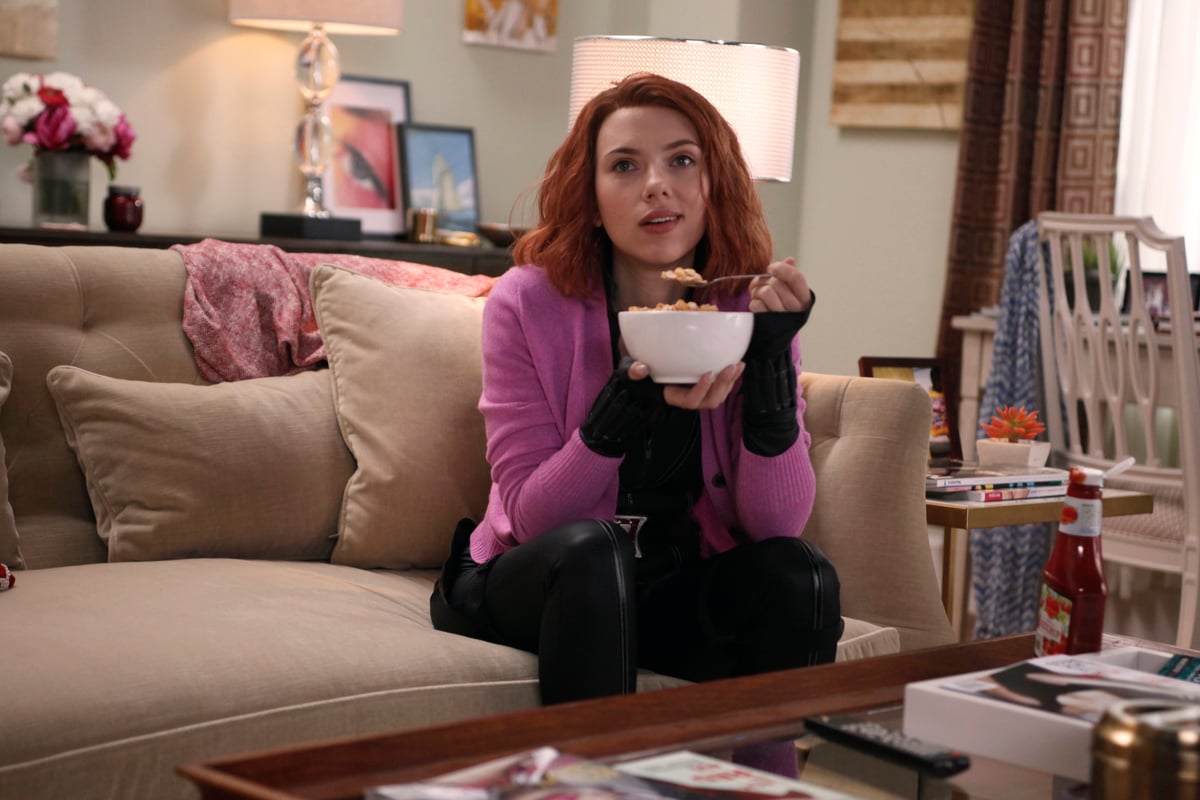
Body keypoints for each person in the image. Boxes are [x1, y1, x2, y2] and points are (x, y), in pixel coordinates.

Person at [430, 72, 842, 777]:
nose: (657, 185)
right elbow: (532, 518)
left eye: (682, 160)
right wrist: (620, 410)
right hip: (541, 579)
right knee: (596, 549)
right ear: (591, 199)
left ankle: (765, 788)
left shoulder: (743, 310)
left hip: (673, 585)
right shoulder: (527, 302)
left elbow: (777, 525)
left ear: (714, 185)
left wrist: (771, 364)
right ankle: (590, 793)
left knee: (799, 572)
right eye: (625, 165)